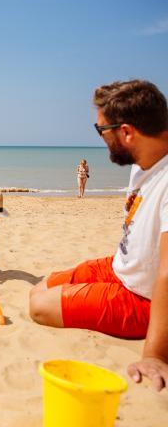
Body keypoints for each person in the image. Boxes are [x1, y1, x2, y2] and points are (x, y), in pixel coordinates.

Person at [29, 80, 168, 392]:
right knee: (43, 286)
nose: (101, 137)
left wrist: (155, 355)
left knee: (40, 306)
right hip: (119, 268)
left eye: (101, 129)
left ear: (127, 132)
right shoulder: (145, 163)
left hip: (142, 298)